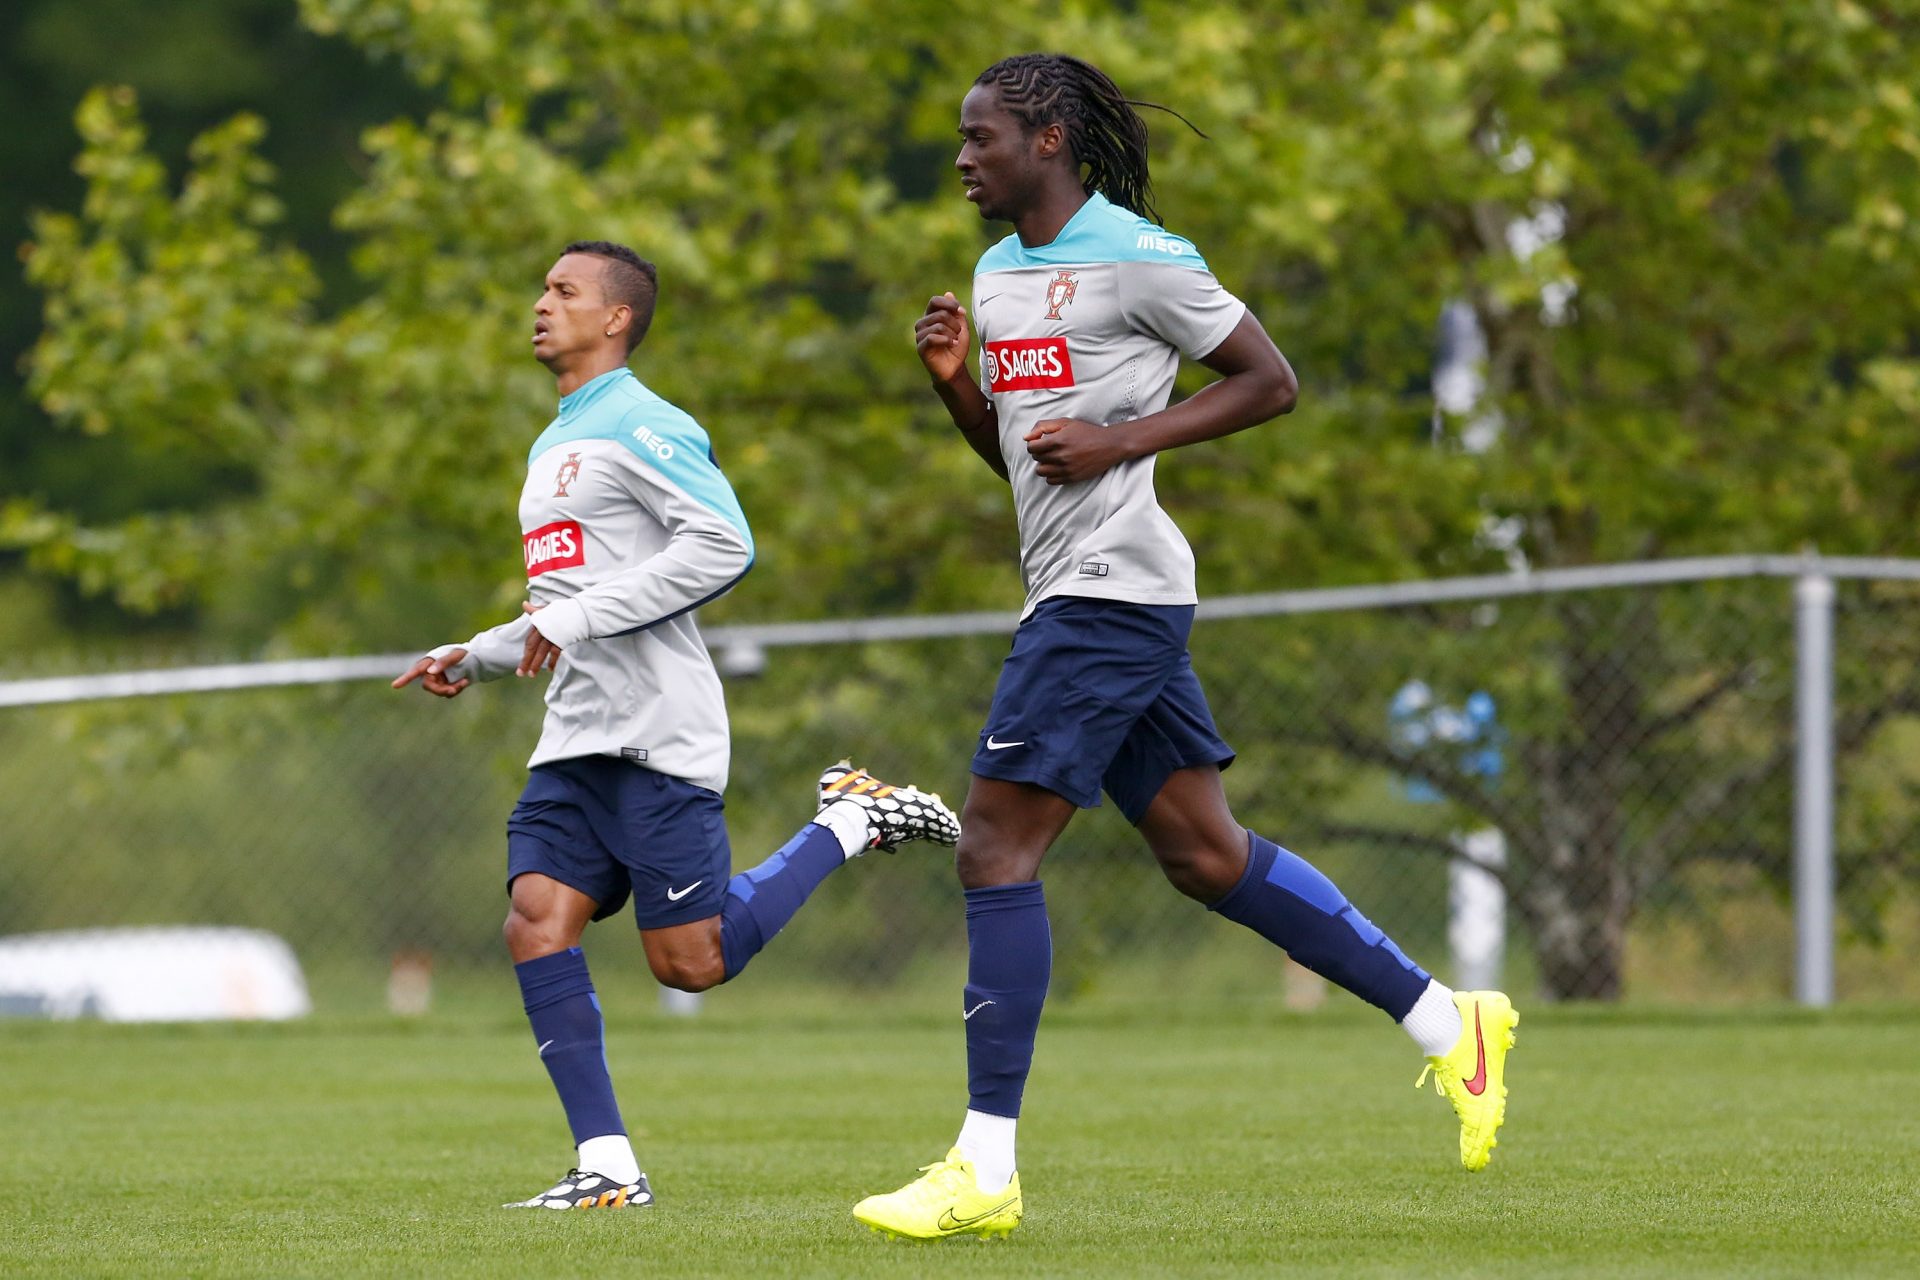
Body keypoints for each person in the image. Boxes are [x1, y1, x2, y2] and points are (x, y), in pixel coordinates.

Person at [852, 55, 1519, 1241]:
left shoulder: (1142, 257)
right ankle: (1445, 1020)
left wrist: (1124, 442)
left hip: (1108, 598)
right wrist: (959, 390)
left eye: (981, 138)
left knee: (995, 845)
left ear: (1049, 138)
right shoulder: (998, 272)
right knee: (1207, 855)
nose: (962, 158)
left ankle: (983, 1166)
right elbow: (1024, 459)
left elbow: (1270, 382)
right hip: (1095, 593)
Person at [394, 240, 961, 1211]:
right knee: (535, 921)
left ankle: (851, 821)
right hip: (573, 739)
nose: (540, 303)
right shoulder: (551, 444)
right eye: (541, 287)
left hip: (659, 734)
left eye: (563, 291)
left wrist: (570, 619)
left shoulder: (644, 422)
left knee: (689, 962)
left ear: (616, 318)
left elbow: (724, 543)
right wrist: (476, 652)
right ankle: (607, 1164)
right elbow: (561, 600)